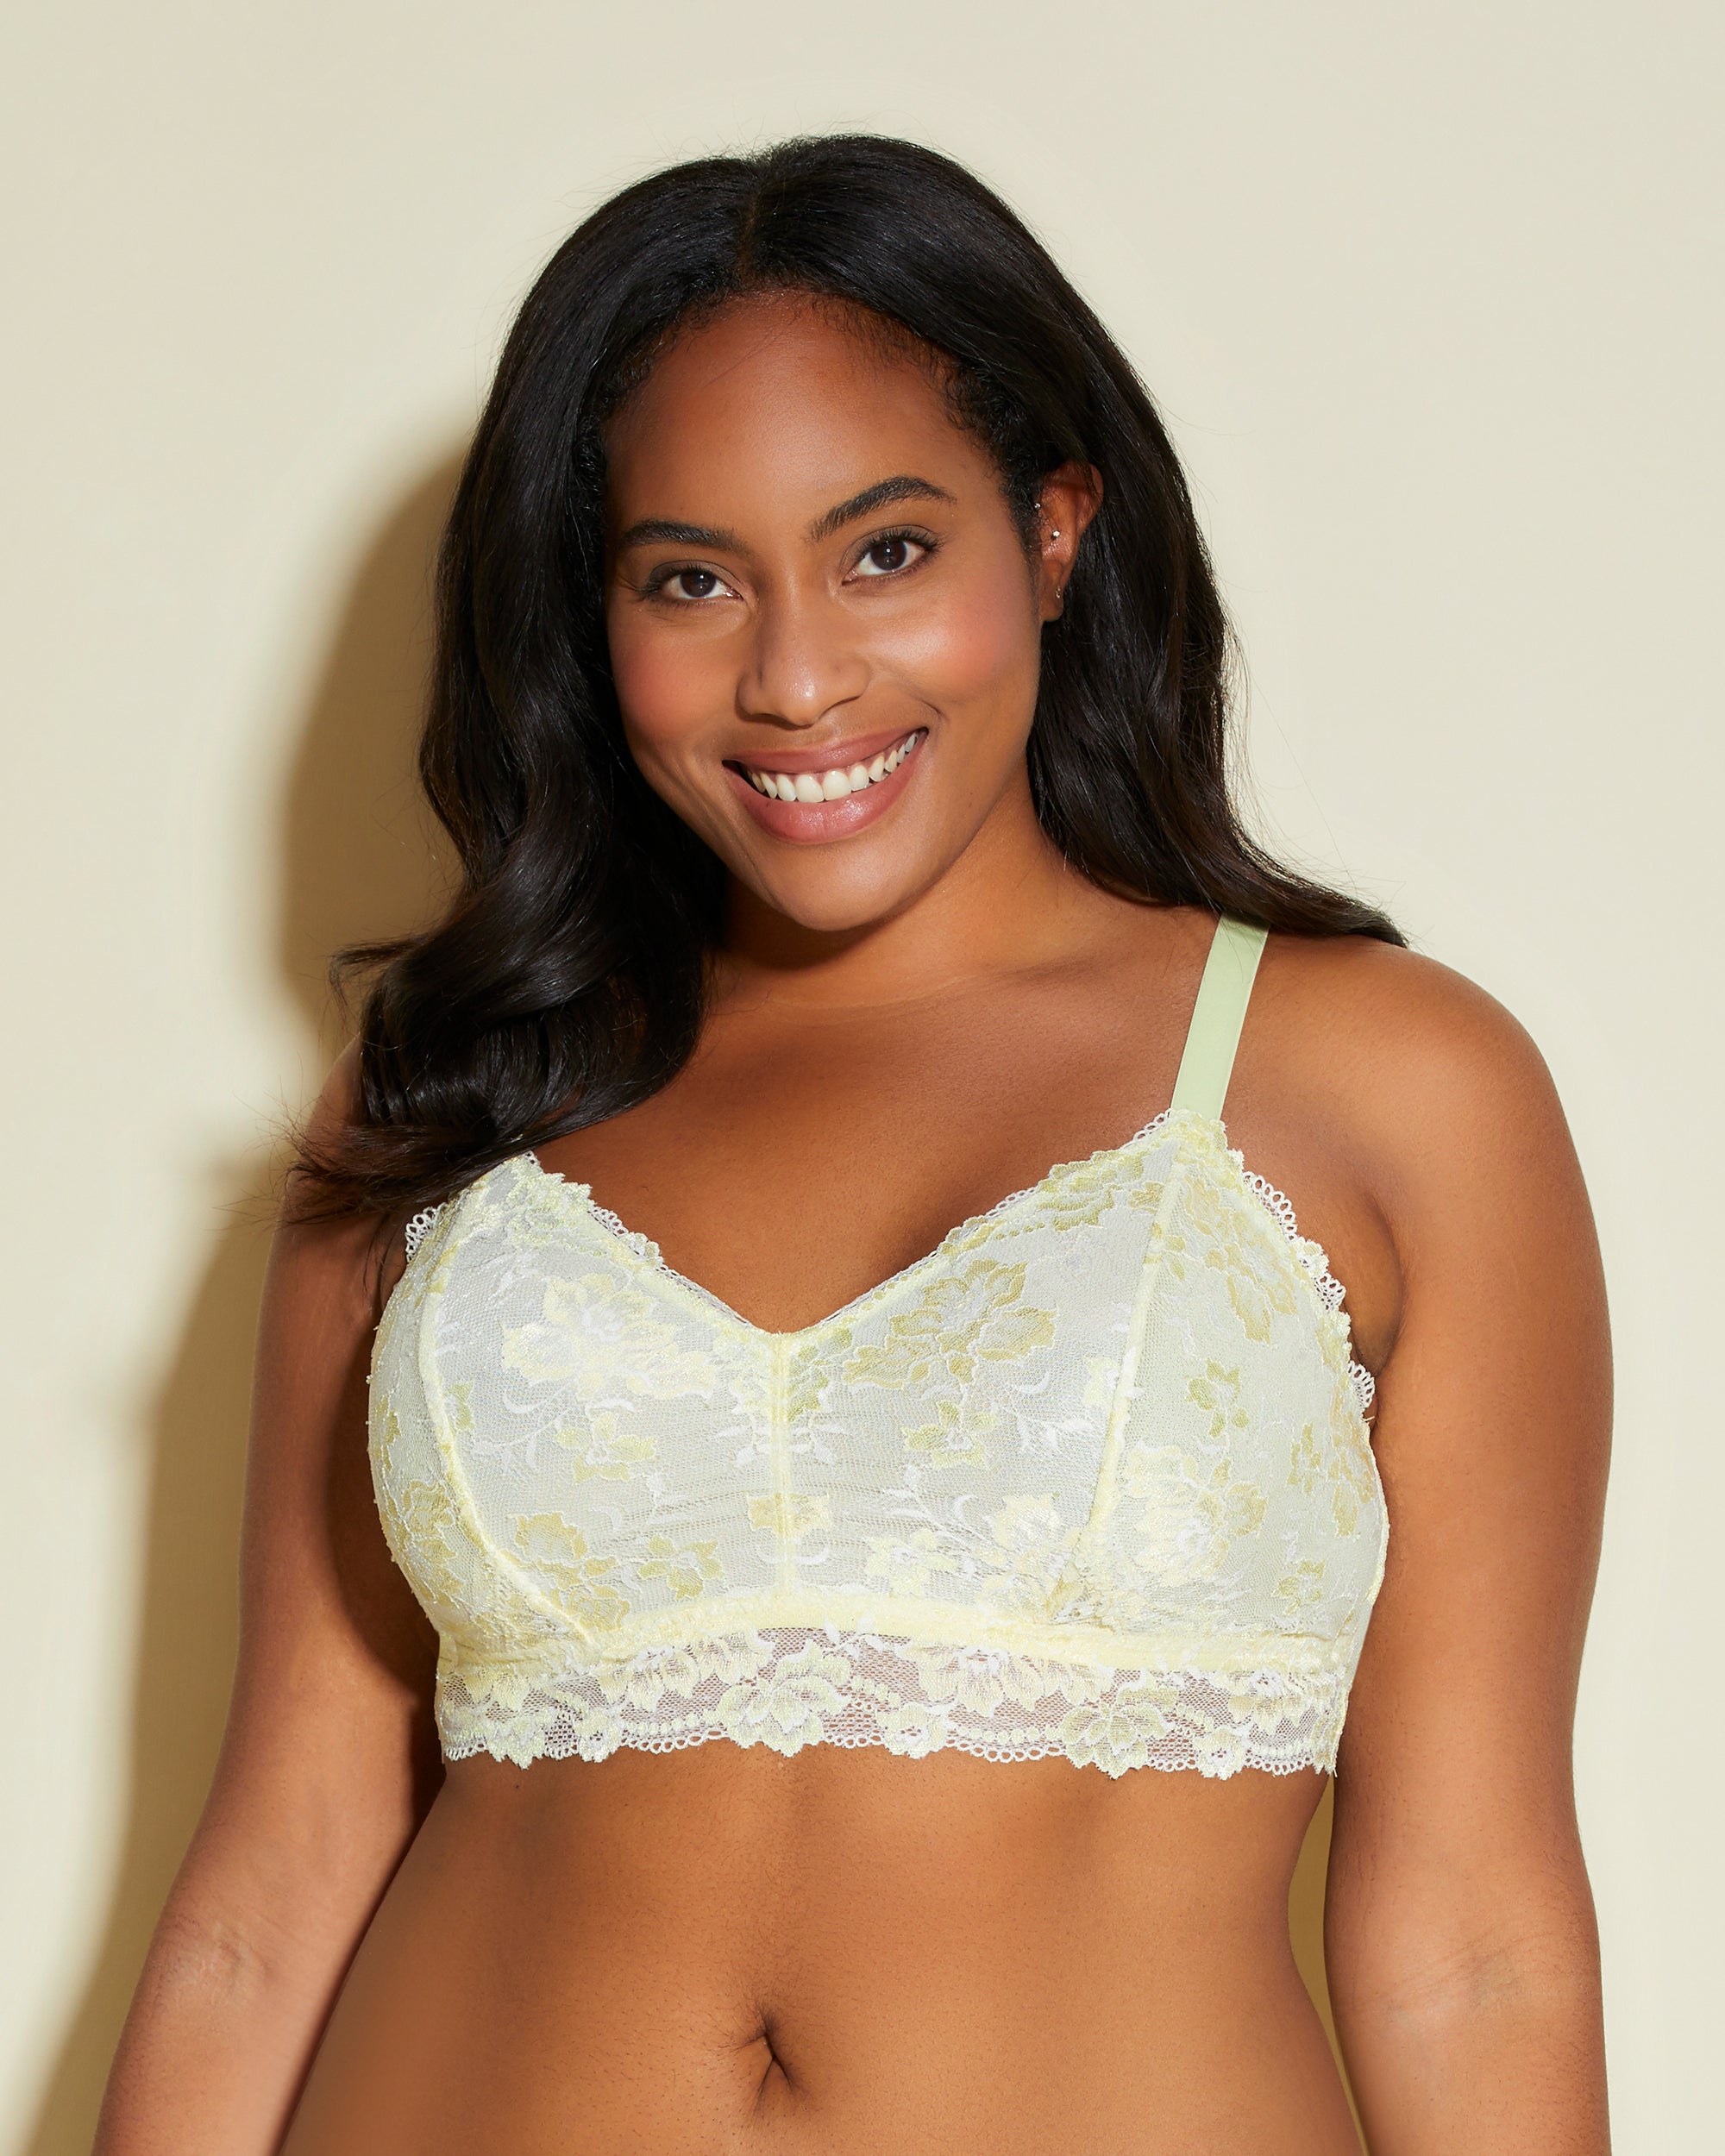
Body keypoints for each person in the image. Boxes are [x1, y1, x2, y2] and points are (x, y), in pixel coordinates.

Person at [95, 135, 1611, 2155]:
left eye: (886, 550)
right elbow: (263, 1899)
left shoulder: (1389, 1082)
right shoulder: (443, 1095)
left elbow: (1476, 1945)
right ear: (591, 610)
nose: (797, 677)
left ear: (1053, 530)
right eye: (690, 578)